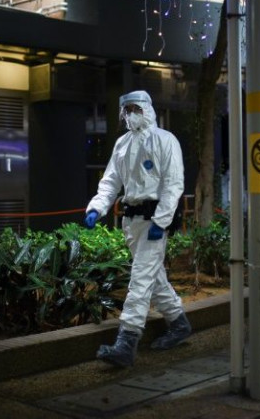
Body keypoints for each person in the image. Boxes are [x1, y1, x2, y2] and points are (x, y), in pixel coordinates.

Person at [84, 90, 191, 368]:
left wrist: (161, 221)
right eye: (126, 109)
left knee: (141, 278)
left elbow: (173, 184)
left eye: (134, 108)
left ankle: (126, 342)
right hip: (131, 221)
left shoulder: (166, 140)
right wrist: (97, 207)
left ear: (146, 108)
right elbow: (110, 181)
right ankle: (179, 324)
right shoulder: (122, 144)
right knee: (153, 277)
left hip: (155, 219)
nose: (129, 114)